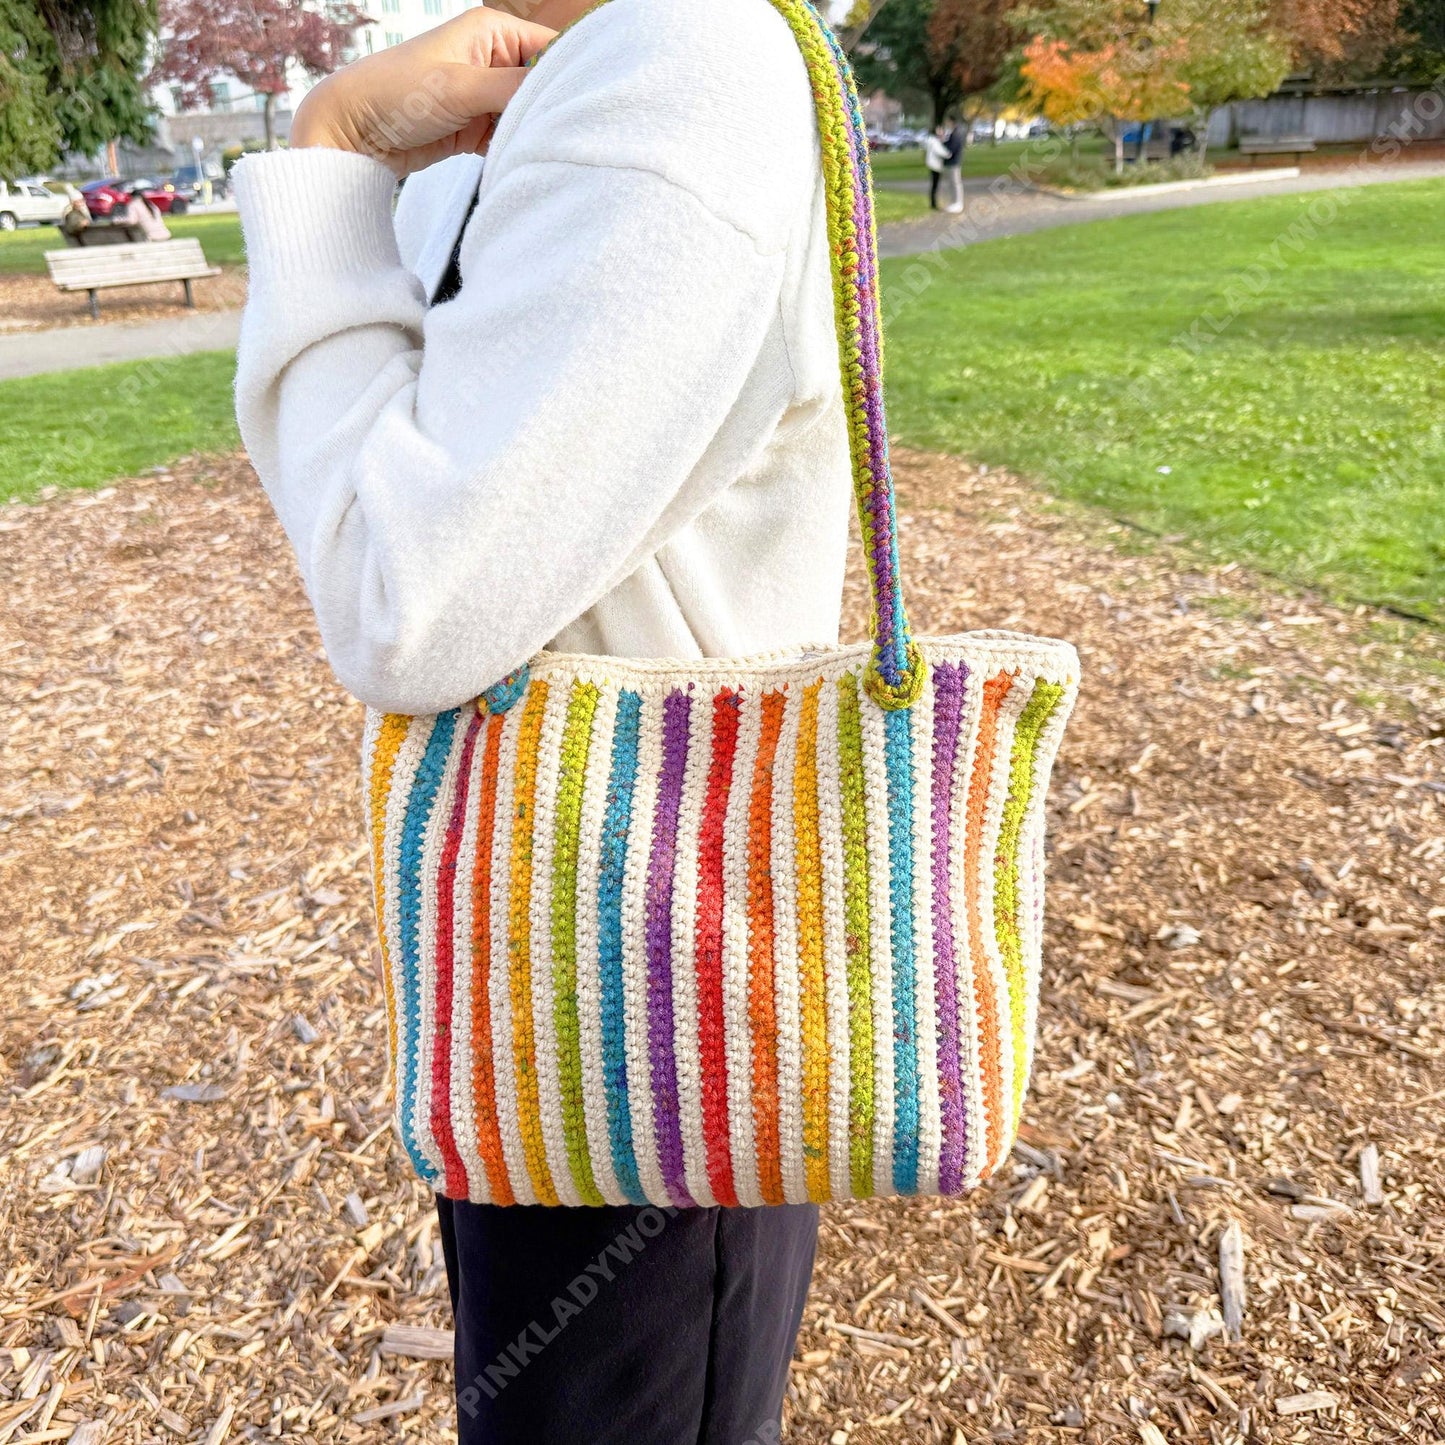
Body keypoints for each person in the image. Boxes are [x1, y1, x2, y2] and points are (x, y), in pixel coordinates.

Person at [231, 0, 851, 1439]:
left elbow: (407, 598)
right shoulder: (576, 72)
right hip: (565, 952)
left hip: (651, 986)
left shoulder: (676, 62)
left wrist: (330, 155)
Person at [924, 122, 950, 209]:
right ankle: (933, 203)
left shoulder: (932, 140)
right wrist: (948, 154)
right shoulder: (934, 141)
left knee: (935, 184)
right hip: (935, 165)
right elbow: (939, 151)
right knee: (935, 184)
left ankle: (933, 202)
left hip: (934, 164)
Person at [942, 118, 965, 213]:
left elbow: (952, 148)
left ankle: (958, 202)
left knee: (955, 183)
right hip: (953, 162)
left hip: (954, 162)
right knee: (952, 183)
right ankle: (954, 202)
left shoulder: (955, 135)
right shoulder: (954, 134)